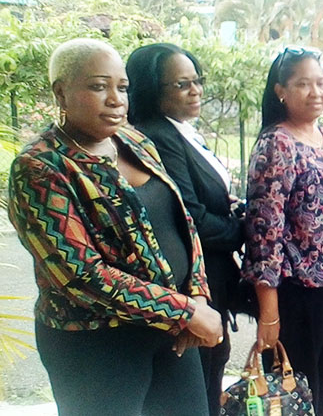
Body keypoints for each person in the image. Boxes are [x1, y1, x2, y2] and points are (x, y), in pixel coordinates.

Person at [7, 38, 222, 415]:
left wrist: (198, 295)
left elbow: (183, 223)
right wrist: (185, 310)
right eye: (97, 86)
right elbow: (80, 275)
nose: (115, 99)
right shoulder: (41, 167)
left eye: (122, 87)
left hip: (171, 336)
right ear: (61, 92)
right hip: (96, 346)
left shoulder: (134, 140)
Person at [126, 42, 244, 416]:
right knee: (199, 385)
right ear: (151, 90)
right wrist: (245, 230)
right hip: (195, 282)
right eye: (181, 84)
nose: (195, 91)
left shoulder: (182, 131)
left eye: (197, 81)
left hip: (215, 276)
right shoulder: (157, 137)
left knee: (212, 373)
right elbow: (190, 216)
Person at [243, 46, 323, 416]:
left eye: (321, 83)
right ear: (281, 90)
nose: (316, 92)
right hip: (298, 294)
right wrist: (269, 313)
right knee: (297, 395)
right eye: (303, 84)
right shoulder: (275, 144)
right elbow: (264, 234)